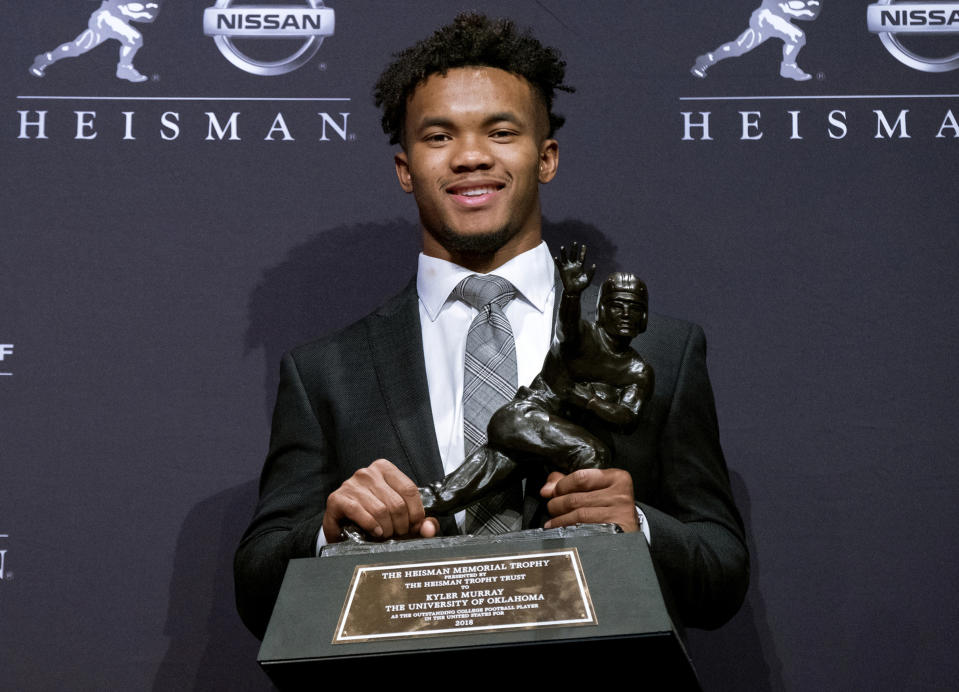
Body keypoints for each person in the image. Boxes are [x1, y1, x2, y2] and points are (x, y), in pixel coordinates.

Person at [235, 11, 749, 639]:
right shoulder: (324, 372)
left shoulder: (665, 351)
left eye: (501, 132)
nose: (471, 157)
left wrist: (635, 525)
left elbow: (721, 578)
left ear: (546, 157)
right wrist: (329, 531)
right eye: (439, 136)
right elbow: (257, 590)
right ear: (404, 169)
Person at [29, 1, 160, 83]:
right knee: (134, 38)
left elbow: (149, 17)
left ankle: (46, 59)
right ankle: (124, 68)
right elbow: (114, 5)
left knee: (76, 48)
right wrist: (128, 10)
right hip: (105, 17)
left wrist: (129, 11)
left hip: (116, 21)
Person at [690, 0, 822, 81]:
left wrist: (788, 8)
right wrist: (790, 8)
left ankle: (707, 60)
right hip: (765, 17)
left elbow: (812, 14)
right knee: (797, 36)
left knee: (737, 48)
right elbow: (775, 5)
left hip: (776, 20)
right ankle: (788, 67)